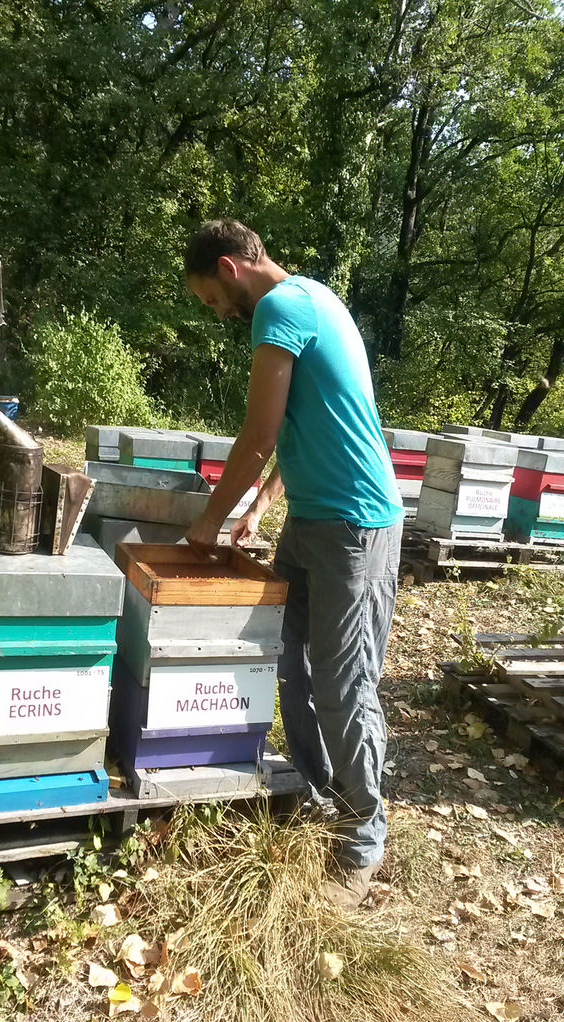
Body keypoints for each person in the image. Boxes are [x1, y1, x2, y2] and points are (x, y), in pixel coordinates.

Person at [183, 219, 403, 909]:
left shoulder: (279, 308)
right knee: (290, 662)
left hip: (355, 525)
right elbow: (315, 420)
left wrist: (208, 525)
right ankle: (320, 794)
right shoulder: (313, 298)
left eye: (212, 299)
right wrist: (261, 504)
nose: (217, 314)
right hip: (313, 518)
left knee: (344, 682)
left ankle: (365, 833)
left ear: (231, 267)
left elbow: (259, 431)